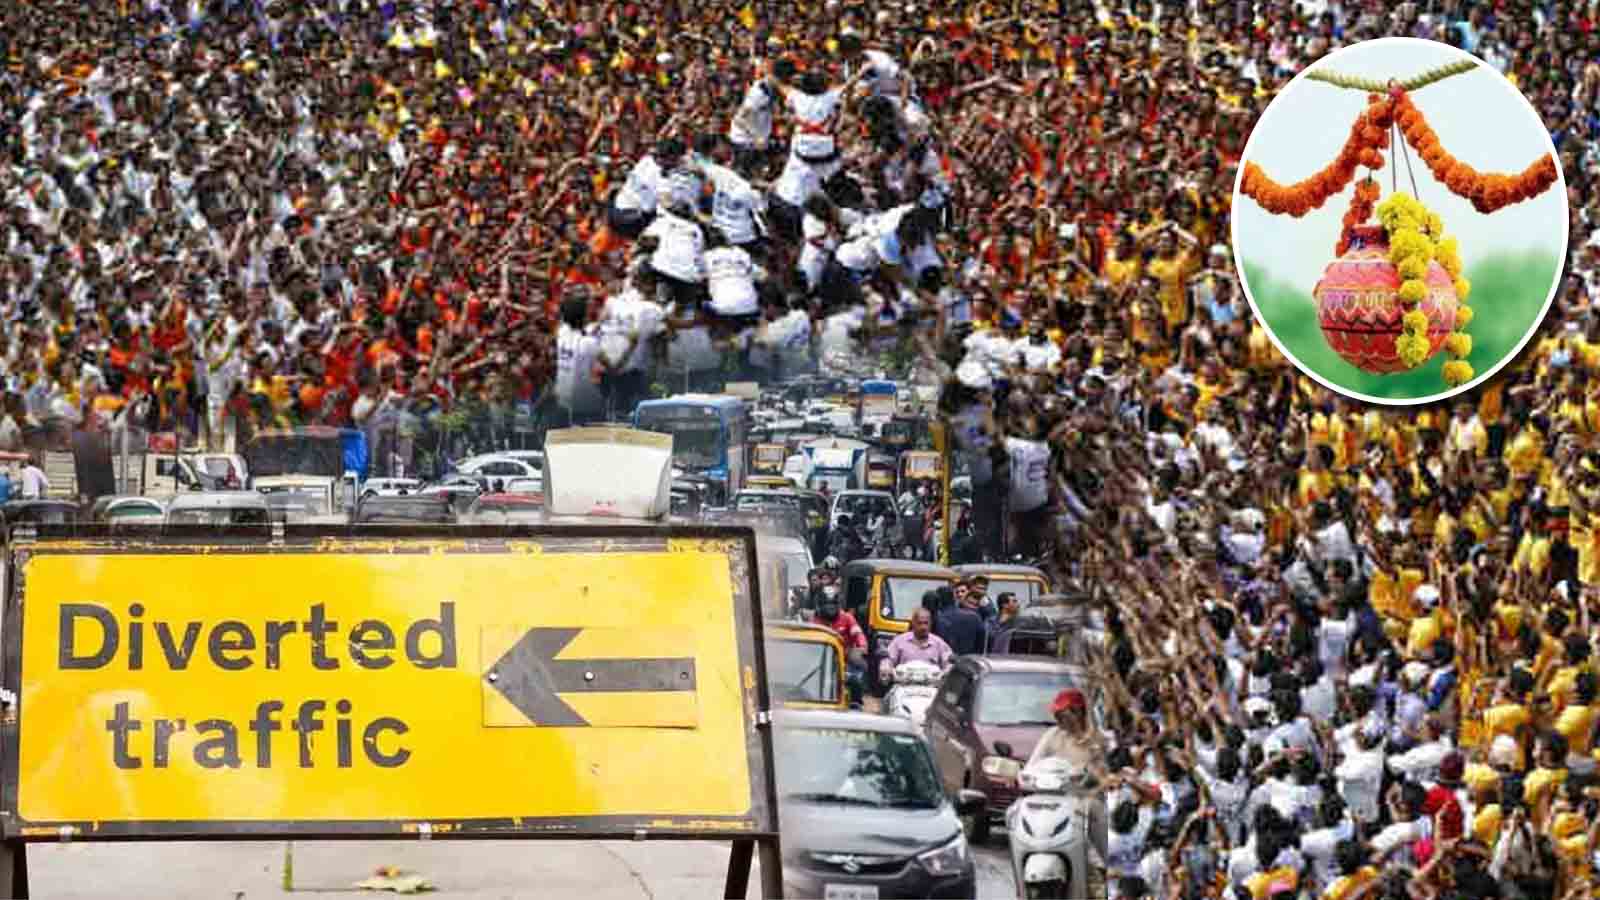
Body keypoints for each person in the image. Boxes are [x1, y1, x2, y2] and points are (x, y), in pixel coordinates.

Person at [811, 582, 868, 709]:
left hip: (844, 658)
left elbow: (858, 634)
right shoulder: (814, 621)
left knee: (856, 680)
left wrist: (862, 647)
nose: (830, 608)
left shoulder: (847, 618)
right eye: (827, 604)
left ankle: (856, 703)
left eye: (833, 604)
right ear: (819, 605)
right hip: (818, 660)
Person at [881, 607, 954, 681]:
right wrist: (886, 667)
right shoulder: (899, 641)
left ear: (930, 623)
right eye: (920, 623)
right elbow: (888, 658)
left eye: (926, 623)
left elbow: (949, 661)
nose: (923, 627)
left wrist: (947, 670)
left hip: (932, 687)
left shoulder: (938, 643)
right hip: (903, 686)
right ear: (913, 623)